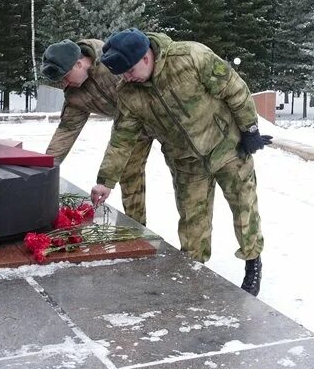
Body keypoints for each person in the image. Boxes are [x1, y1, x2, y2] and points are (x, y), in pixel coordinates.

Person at [89, 28, 270, 296]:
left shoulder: (190, 57)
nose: (126, 78)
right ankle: (193, 271)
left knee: (244, 208)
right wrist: (105, 181)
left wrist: (249, 129)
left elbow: (234, 87)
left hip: (227, 147)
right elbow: (122, 138)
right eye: (122, 74)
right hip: (185, 161)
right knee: (192, 225)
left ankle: (252, 261)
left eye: (129, 71)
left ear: (146, 57)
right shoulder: (129, 93)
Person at [40, 38, 157, 226]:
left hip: (165, 117)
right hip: (131, 128)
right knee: (129, 173)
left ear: (78, 63)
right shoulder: (74, 94)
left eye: (65, 76)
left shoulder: (111, 61)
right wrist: (45, 169)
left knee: (188, 174)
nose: (64, 84)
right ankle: (138, 230)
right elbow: (66, 131)